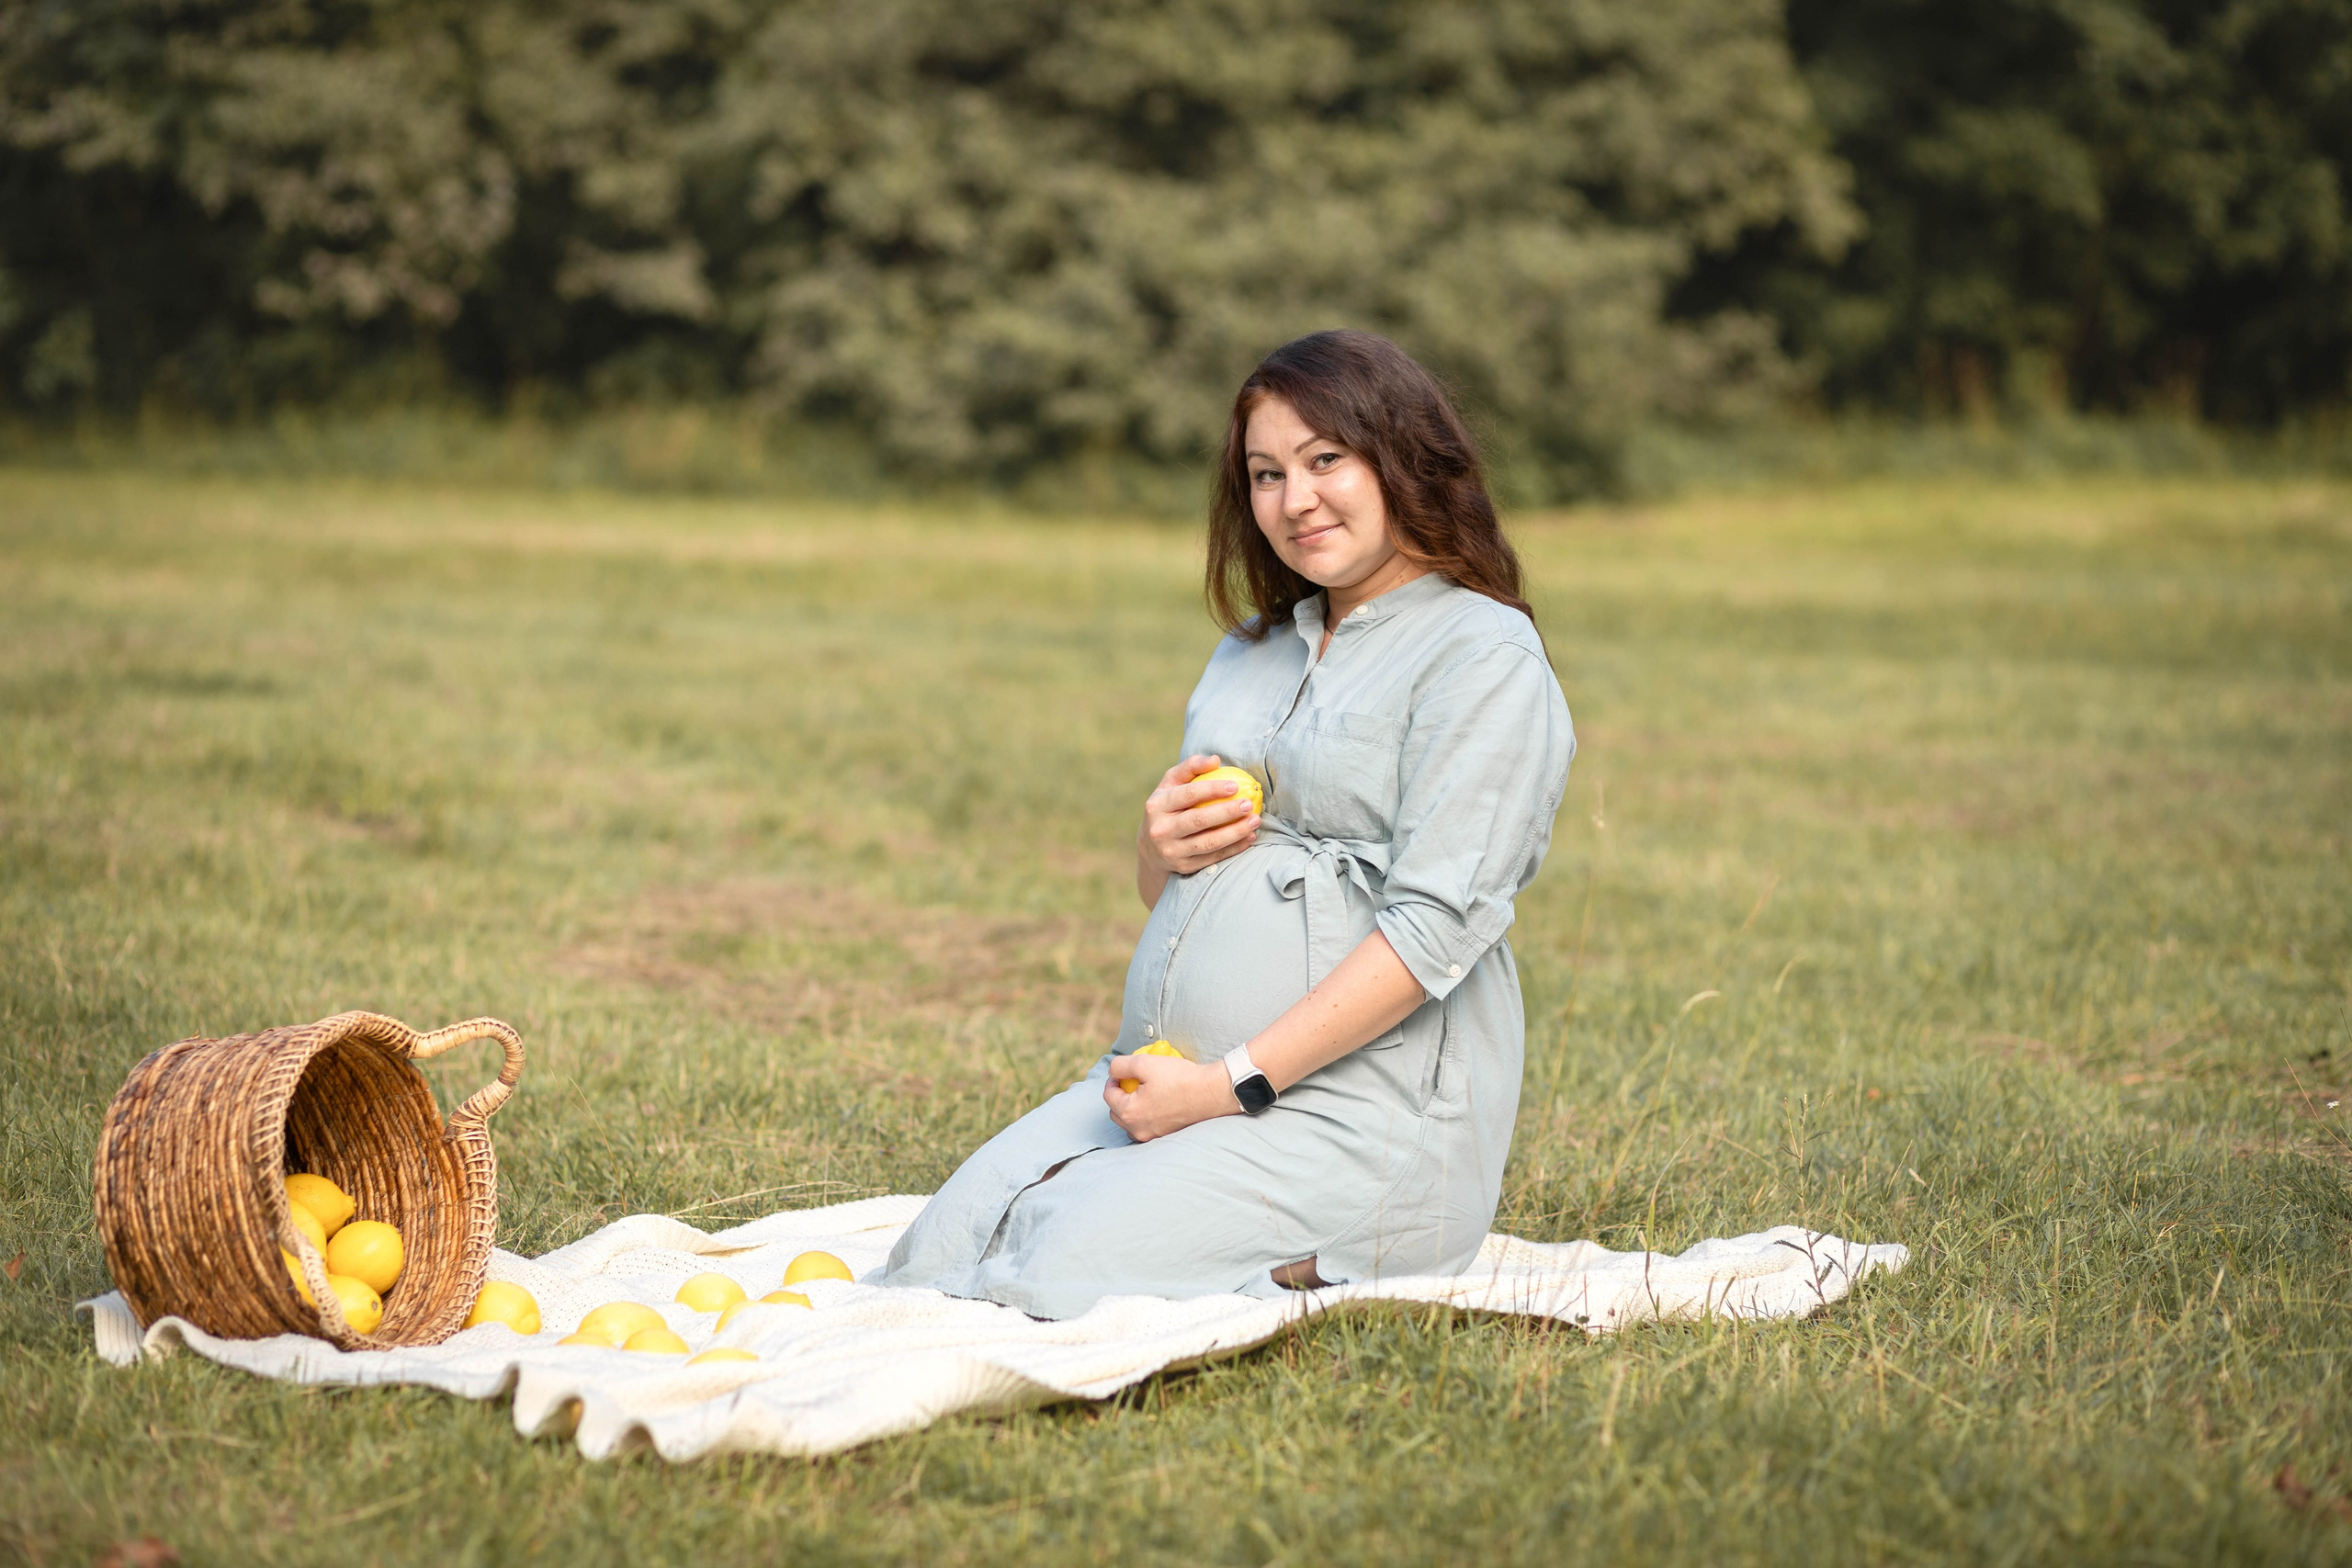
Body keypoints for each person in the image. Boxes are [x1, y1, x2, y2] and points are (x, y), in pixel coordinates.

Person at [878, 329, 1576, 1318]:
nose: (1295, 501)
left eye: (1326, 459)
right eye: (1265, 473)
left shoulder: (1482, 655)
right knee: (942, 1243)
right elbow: (1180, 898)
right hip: (1175, 1081)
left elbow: (1435, 930)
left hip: (1363, 1110)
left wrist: (1229, 1087)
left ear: (1405, 456)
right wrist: (1155, 848)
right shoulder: (1250, 652)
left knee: (1057, 1272)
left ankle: (1338, 1247)